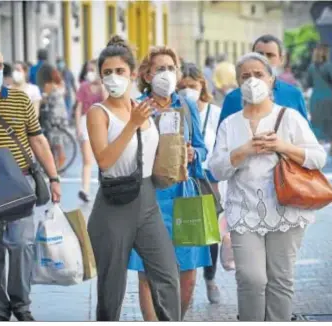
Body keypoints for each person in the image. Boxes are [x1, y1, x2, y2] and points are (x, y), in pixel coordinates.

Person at [209, 52, 326, 321]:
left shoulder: (290, 117)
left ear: (271, 79)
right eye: (245, 76)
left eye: (258, 74)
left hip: (286, 209)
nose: (252, 81)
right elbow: (216, 168)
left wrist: (282, 146)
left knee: (280, 279)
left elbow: (318, 157)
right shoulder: (230, 124)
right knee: (250, 278)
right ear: (238, 83)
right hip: (243, 212)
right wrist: (244, 151)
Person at [86, 35, 181, 322]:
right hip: (114, 204)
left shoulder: (144, 108)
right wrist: (132, 125)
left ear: (133, 74)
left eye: (120, 72)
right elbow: (104, 159)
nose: (113, 78)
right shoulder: (98, 113)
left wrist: (178, 157)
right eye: (107, 73)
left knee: (167, 276)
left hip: (148, 201)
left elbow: (149, 154)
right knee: (111, 291)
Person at [0, 46, 61, 322]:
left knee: (22, 244)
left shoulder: (20, 99)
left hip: (20, 180)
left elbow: (37, 139)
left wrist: (54, 177)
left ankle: (21, 304)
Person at [127, 46, 210, 321]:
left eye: (171, 68)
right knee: (149, 274)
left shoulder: (186, 106)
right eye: (159, 69)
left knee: (188, 276)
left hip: (184, 197)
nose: (166, 74)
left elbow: (202, 147)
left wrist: (193, 154)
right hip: (148, 198)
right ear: (147, 75)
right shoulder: (136, 107)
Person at [178, 62, 223, 305]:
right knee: (184, 230)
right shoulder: (176, 110)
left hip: (207, 179)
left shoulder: (214, 113)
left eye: (192, 86)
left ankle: (210, 278)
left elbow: (221, 146)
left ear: (202, 85)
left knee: (208, 233)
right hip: (182, 177)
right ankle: (185, 281)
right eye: (182, 86)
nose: (187, 91)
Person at [218, 35, 308, 128]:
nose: (264, 59)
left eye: (270, 55)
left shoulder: (293, 95)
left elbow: (306, 136)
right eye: (259, 54)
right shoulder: (233, 98)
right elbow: (222, 136)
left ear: (281, 59)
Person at [75, 60, 105, 202]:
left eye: (93, 69)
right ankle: (84, 189)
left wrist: (102, 85)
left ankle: (105, 188)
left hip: (100, 122)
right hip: (85, 121)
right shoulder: (83, 87)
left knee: (103, 158)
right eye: (88, 70)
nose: (90, 72)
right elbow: (79, 108)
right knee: (87, 159)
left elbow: (106, 101)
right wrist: (78, 127)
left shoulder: (103, 87)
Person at [306, 44, 332, 157]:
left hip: (316, 98)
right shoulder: (329, 66)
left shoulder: (311, 67)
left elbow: (308, 83)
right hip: (328, 97)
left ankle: (318, 149)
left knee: (317, 122)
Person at [38, 63, 68, 168]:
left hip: (53, 115)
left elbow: (44, 99)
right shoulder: (61, 83)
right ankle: (60, 160)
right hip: (62, 114)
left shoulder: (48, 85)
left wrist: (41, 99)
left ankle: (57, 162)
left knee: (54, 141)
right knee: (59, 140)